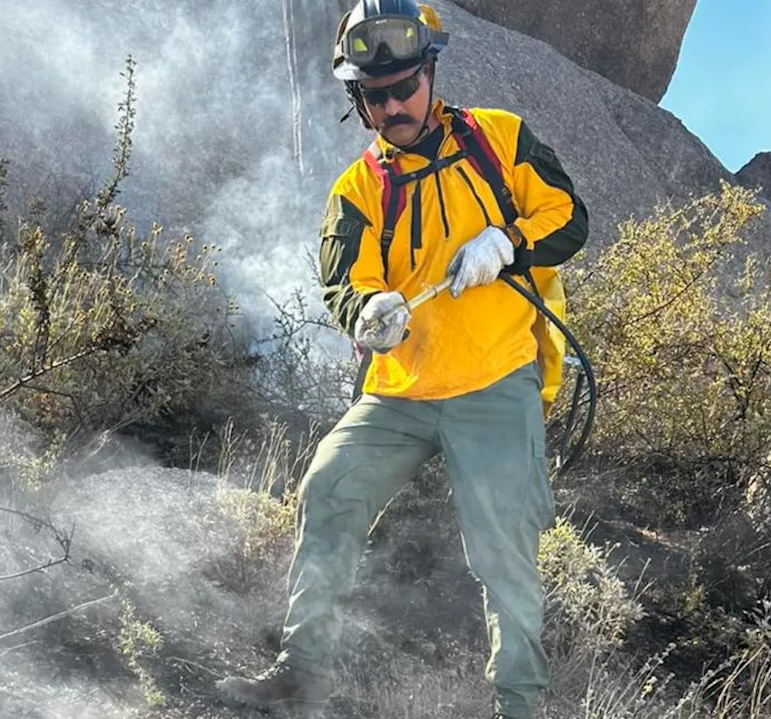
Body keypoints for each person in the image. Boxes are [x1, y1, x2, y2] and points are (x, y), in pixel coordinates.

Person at [216, 1, 588, 716]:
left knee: (505, 548)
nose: (394, 104)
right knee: (329, 487)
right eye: (376, 94)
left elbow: (570, 215)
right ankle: (299, 674)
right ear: (360, 100)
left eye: (404, 86)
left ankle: (519, 705)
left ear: (430, 73)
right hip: (400, 392)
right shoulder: (357, 190)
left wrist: (508, 241)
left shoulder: (500, 139)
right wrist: (366, 312)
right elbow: (341, 282)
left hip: (495, 380)